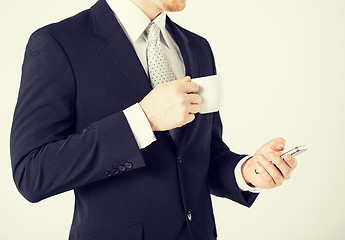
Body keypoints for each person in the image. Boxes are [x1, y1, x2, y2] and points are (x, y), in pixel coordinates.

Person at [10, 0, 298, 239]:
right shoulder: (59, 43)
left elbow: (201, 156)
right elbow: (32, 173)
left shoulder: (197, 47)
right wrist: (141, 121)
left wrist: (246, 172)